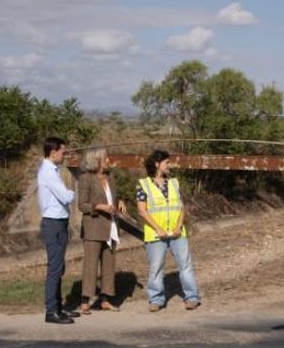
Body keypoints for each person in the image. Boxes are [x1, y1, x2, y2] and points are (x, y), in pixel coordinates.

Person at [136, 150, 201, 312]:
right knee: (156, 268)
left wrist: (179, 226)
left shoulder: (174, 183)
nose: (169, 165)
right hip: (156, 235)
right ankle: (156, 299)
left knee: (185, 265)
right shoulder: (143, 185)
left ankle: (192, 297)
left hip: (178, 233)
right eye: (167, 162)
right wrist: (158, 229)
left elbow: (181, 207)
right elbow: (142, 211)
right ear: (157, 164)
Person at [77, 148, 127, 314]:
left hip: (111, 227)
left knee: (109, 265)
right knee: (90, 265)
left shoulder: (110, 177)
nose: (108, 160)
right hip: (93, 227)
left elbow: (114, 196)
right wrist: (100, 207)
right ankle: (85, 300)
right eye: (105, 158)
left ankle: (106, 299)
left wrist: (120, 202)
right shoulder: (86, 179)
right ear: (97, 160)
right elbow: (82, 205)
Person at [37, 137, 80, 324]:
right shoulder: (48, 172)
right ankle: (51, 311)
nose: (65, 155)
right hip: (53, 223)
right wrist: (73, 193)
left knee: (59, 267)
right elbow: (65, 196)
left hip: (59, 222)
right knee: (54, 268)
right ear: (53, 152)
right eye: (63, 152)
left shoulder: (52, 171)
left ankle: (59, 307)